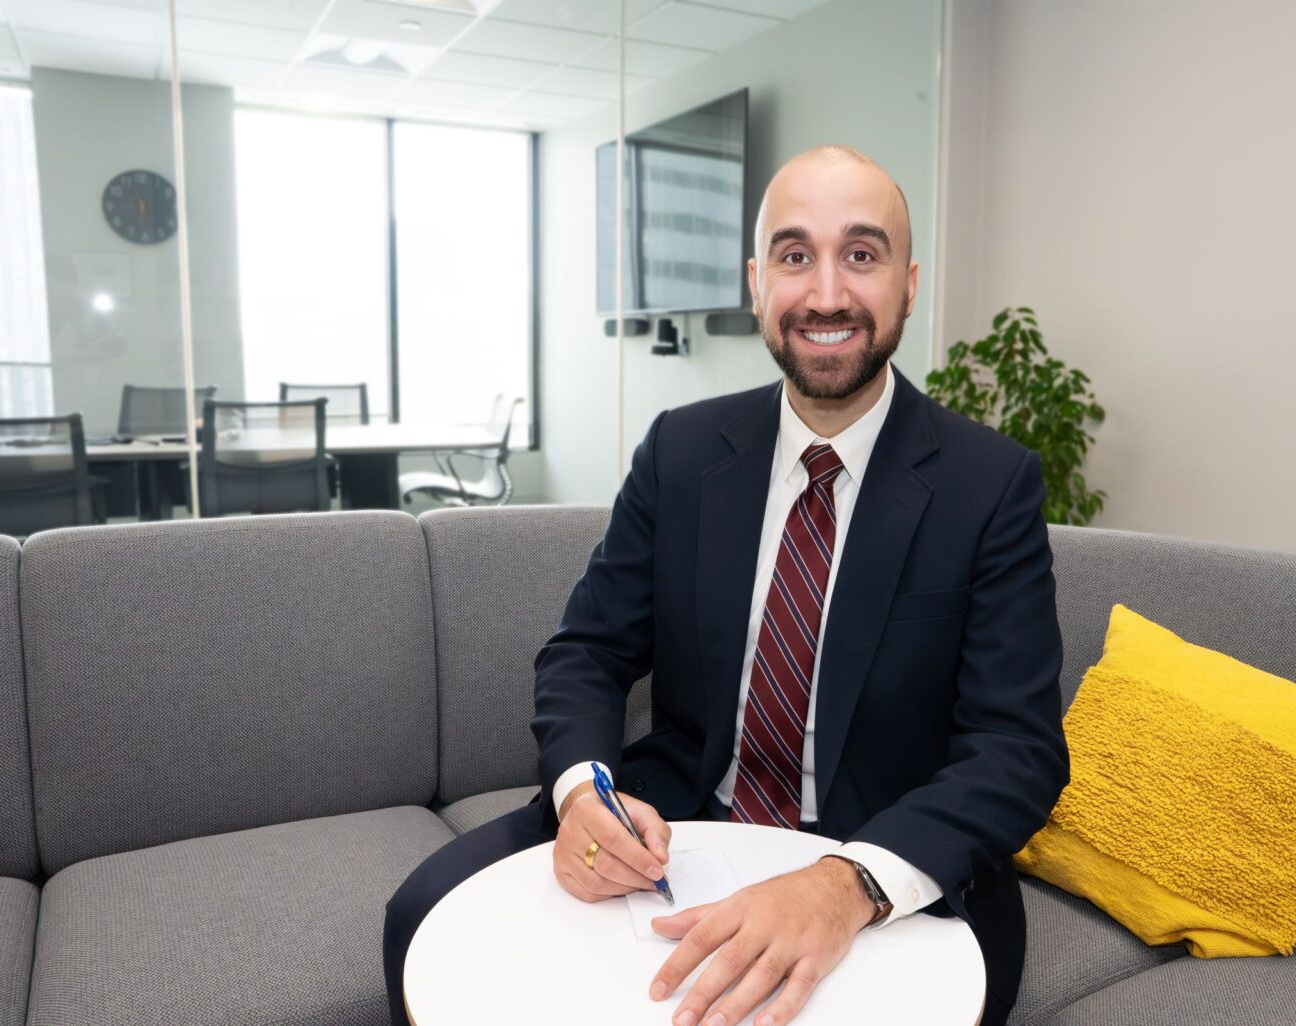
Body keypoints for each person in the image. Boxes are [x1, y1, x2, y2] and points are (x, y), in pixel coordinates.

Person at [384, 145, 1069, 1026]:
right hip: (677, 819)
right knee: (421, 916)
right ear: (756, 282)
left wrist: (843, 884)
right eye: (794, 255)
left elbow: (1017, 751)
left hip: (888, 846)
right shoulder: (681, 450)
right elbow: (587, 651)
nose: (826, 294)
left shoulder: (991, 483)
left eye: (861, 255)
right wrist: (583, 794)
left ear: (907, 283)